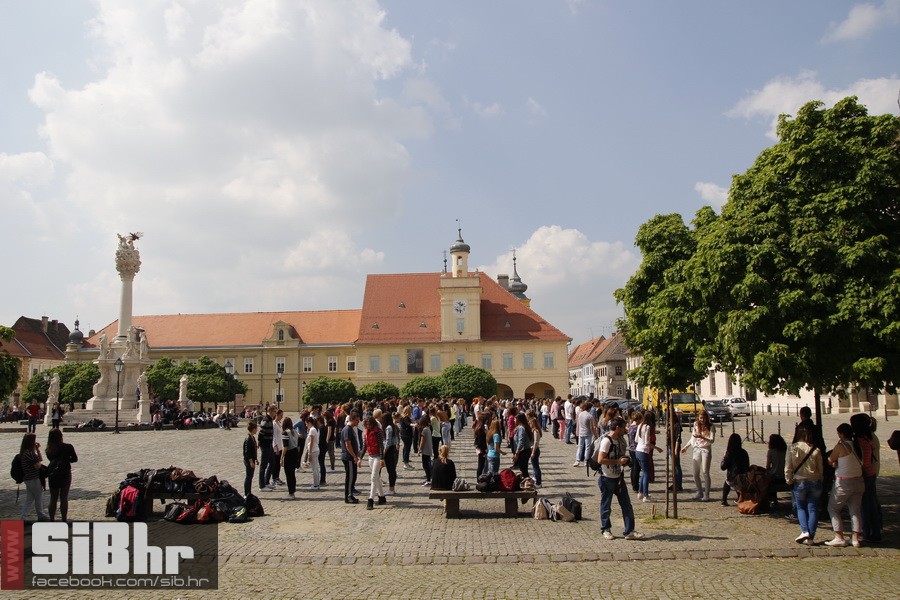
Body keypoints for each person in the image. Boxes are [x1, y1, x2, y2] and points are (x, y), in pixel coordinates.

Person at [594, 417, 643, 540]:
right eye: (623, 427)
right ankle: (606, 529)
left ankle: (629, 531)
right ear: (617, 428)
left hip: (618, 477)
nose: (626, 430)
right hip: (607, 477)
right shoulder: (607, 441)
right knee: (606, 505)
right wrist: (617, 461)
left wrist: (625, 461)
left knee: (626, 504)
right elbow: (600, 460)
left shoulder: (620, 440)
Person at [825, 423, 864, 547]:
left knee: (833, 508)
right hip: (858, 481)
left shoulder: (841, 446)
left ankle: (839, 536)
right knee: (855, 511)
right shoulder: (858, 446)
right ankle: (856, 538)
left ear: (841, 434)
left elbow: (830, 459)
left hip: (843, 482)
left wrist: (833, 464)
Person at [785, 424, 823, 545]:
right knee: (813, 509)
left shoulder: (792, 448)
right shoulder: (815, 449)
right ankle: (810, 537)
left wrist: (788, 480)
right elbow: (821, 469)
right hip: (815, 481)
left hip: (800, 481)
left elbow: (788, 466)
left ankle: (805, 531)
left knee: (800, 507)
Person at [850, 413, 881, 543]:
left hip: (865, 474)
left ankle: (868, 531)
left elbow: (862, 460)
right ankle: (875, 530)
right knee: (872, 503)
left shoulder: (860, 439)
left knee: (866, 504)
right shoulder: (870, 437)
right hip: (872, 472)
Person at [682, 409, 716, 501]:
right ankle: (699, 492)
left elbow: (712, 440)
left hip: (706, 449)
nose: (702, 420)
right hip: (696, 449)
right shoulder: (696, 425)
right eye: (700, 418)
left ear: (706, 418)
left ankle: (707, 494)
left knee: (705, 472)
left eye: (704, 418)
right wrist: (686, 447)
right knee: (695, 473)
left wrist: (702, 436)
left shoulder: (711, 426)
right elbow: (692, 438)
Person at [45, 429, 77, 521]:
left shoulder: (49, 449)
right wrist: (66, 459)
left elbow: (50, 459)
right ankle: (64, 519)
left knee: (53, 498)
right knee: (63, 497)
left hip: (53, 473)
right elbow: (74, 459)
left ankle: (52, 519)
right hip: (65, 472)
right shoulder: (68, 447)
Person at [18, 433, 49, 521]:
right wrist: (38, 462)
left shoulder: (28, 452)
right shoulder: (28, 453)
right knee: (38, 496)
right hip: (33, 478)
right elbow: (37, 465)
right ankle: (40, 514)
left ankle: (23, 516)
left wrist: (37, 450)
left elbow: (40, 459)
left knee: (30, 498)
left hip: (29, 479)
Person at [635, 411, 662, 503]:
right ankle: (645, 496)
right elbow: (647, 443)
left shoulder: (640, 425)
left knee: (644, 472)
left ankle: (641, 492)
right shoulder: (647, 427)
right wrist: (657, 448)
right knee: (647, 473)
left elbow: (636, 439)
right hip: (643, 451)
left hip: (638, 450)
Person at [719, 433, 750, 506]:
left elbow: (723, 467)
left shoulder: (729, 453)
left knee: (727, 481)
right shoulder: (744, 452)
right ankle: (739, 497)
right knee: (736, 480)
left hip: (733, 478)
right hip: (744, 477)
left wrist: (724, 457)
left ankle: (724, 500)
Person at [364, 416, 386, 509]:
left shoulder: (378, 431)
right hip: (370, 456)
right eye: (367, 424)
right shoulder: (366, 432)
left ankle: (371, 499)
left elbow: (381, 445)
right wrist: (360, 457)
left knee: (373, 477)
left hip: (377, 456)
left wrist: (382, 458)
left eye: (370, 424)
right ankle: (382, 497)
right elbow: (365, 445)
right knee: (376, 477)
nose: (368, 426)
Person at [341, 411, 362, 504]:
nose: (358, 422)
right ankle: (348, 496)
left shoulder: (351, 429)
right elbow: (347, 444)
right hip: (348, 457)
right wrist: (354, 456)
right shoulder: (347, 429)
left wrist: (357, 452)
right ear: (352, 419)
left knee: (353, 476)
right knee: (350, 477)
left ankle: (351, 494)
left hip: (352, 456)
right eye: (357, 420)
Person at [766, 434, 788, 508]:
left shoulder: (771, 452)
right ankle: (773, 500)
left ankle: (772, 499)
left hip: (775, 478)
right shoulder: (785, 451)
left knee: (768, 479)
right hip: (785, 476)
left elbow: (767, 466)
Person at [280, 417, 300, 500]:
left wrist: (281, 458)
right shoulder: (295, 432)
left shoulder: (285, 433)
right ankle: (293, 491)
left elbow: (285, 447)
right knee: (292, 474)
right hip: (295, 452)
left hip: (289, 453)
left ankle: (290, 493)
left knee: (288, 474)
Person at [573, 399, 597, 467]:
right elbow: (592, 427)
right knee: (587, 447)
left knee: (580, 447)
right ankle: (586, 461)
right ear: (589, 408)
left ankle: (577, 460)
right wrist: (594, 434)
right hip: (588, 433)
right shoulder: (590, 416)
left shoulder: (580, 414)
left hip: (581, 432)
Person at [257, 406, 276, 492]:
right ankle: (262, 485)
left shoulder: (270, 419)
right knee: (263, 466)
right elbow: (261, 433)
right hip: (265, 445)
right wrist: (259, 443)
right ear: (271, 411)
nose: (275, 413)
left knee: (272, 462)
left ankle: (266, 481)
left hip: (269, 444)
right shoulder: (266, 420)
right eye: (274, 411)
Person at [383, 412, 400, 495]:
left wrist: (384, 451)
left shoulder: (389, 427)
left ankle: (391, 489)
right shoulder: (393, 426)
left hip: (389, 450)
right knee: (392, 470)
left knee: (391, 470)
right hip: (393, 449)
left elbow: (388, 441)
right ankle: (391, 488)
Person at [512, 413, 532, 478]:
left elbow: (521, 441)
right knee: (523, 468)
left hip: (524, 451)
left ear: (519, 420)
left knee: (523, 469)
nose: (514, 420)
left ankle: (527, 482)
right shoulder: (521, 427)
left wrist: (517, 452)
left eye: (515, 419)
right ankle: (526, 481)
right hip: (524, 450)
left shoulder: (521, 428)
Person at [627, 412, 643, 493]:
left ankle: (634, 484)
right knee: (636, 468)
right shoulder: (637, 428)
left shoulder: (630, 427)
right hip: (636, 449)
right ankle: (635, 486)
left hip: (631, 449)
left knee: (633, 467)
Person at [417, 415, 434, 487]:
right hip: (429, 449)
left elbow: (422, 441)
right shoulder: (428, 428)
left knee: (426, 465)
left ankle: (428, 480)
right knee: (428, 464)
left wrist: (420, 449)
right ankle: (429, 478)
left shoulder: (424, 430)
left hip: (425, 450)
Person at [305, 415, 321, 490]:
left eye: (306, 423)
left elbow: (311, 442)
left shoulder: (312, 430)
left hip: (313, 450)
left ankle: (315, 484)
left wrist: (309, 453)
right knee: (316, 468)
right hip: (316, 449)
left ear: (309, 423)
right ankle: (317, 483)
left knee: (314, 468)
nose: (306, 425)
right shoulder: (314, 429)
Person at [243, 422, 259, 498]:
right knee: (248, 477)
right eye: (256, 428)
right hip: (249, 461)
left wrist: (256, 459)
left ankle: (249, 491)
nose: (257, 430)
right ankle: (246, 493)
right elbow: (247, 452)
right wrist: (251, 462)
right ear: (253, 429)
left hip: (252, 460)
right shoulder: (248, 439)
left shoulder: (252, 438)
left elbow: (254, 450)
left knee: (250, 476)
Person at [529, 415, 543, 488]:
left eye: (530, 423)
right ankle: (535, 479)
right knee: (534, 466)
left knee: (536, 467)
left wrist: (533, 452)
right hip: (533, 449)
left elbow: (535, 442)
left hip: (535, 449)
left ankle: (538, 482)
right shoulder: (534, 430)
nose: (529, 425)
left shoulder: (536, 431)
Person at [400, 406, 415, 471]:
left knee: (405, 448)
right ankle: (406, 464)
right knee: (407, 449)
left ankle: (405, 461)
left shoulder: (403, 417)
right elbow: (408, 424)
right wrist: (414, 424)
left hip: (404, 434)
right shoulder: (405, 417)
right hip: (406, 435)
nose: (412, 411)